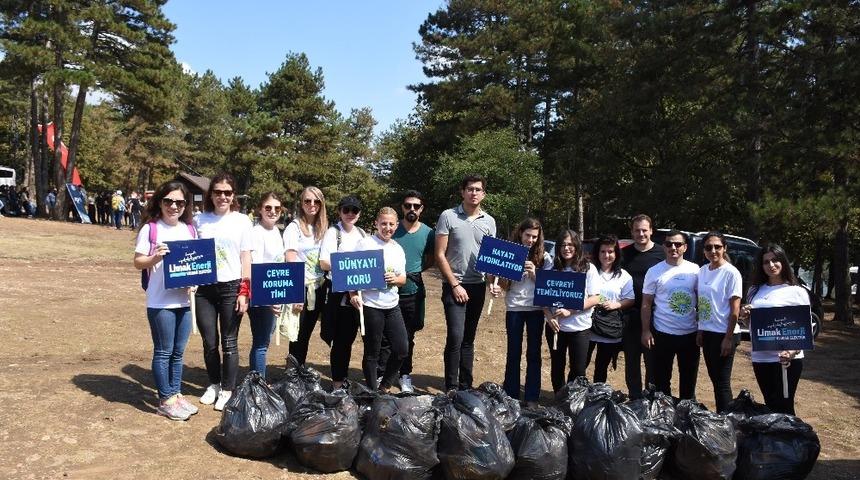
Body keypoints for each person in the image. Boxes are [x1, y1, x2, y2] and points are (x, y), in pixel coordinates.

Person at [132, 181, 198, 421]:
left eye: (179, 202)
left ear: (185, 205)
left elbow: (195, 264)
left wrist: (194, 281)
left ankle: (175, 394)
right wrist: (155, 257)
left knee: (178, 353)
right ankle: (165, 400)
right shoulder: (151, 229)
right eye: (169, 201)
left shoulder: (189, 230)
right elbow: (138, 261)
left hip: (184, 301)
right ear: (160, 202)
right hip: (160, 302)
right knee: (163, 351)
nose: (174, 206)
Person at [194, 173, 252, 411]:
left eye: (227, 192)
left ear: (233, 195)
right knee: (209, 342)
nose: (222, 197)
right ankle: (214, 384)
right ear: (211, 194)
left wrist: (244, 290)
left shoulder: (242, 221)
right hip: (204, 290)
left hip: (231, 287)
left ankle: (228, 389)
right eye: (218, 192)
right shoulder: (199, 220)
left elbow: (246, 256)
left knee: (229, 342)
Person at [435, 174, 497, 392]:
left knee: (468, 339)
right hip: (454, 286)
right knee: (456, 336)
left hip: (477, 286)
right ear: (462, 192)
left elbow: (491, 260)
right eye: (470, 189)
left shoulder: (489, 222)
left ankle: (466, 386)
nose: (474, 193)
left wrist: (492, 282)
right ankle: (451, 387)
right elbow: (439, 254)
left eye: (478, 189)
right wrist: (454, 285)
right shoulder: (448, 216)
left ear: (484, 194)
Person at [376, 190, 435, 393]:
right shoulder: (392, 228)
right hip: (387, 293)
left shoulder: (428, 233)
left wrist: (412, 273)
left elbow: (430, 259)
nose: (412, 209)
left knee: (408, 337)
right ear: (402, 207)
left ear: (421, 209)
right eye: (408, 205)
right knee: (385, 339)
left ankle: (404, 375)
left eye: (416, 206)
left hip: (412, 292)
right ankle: (382, 374)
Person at [740, 244, 809, 415]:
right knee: (770, 405)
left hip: (786, 360)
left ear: (783, 262)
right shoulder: (754, 290)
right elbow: (752, 327)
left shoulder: (797, 292)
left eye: (775, 260)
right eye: (766, 262)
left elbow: (803, 328)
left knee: (784, 407)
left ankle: (792, 433)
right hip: (761, 358)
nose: (771, 265)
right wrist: (745, 316)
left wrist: (791, 352)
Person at [489, 217, 551, 406]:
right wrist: (496, 287)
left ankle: (532, 396)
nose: (530, 240)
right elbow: (500, 282)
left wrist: (535, 274)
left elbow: (548, 287)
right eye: (527, 235)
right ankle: (511, 395)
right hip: (515, 308)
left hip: (535, 310)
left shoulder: (544, 257)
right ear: (520, 233)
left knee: (534, 354)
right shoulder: (509, 253)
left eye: (534, 237)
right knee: (513, 352)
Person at [348, 207, 408, 391]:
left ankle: (385, 387)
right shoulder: (364, 244)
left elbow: (403, 279)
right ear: (376, 224)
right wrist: (352, 294)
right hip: (370, 305)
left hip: (392, 305)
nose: (387, 228)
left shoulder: (398, 249)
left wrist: (395, 279)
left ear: (396, 226)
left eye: (391, 224)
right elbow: (350, 272)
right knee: (372, 352)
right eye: (383, 223)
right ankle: (373, 393)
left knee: (401, 349)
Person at [641, 230, 700, 400]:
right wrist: (646, 331)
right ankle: (665, 413)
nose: (673, 247)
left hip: (690, 334)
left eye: (678, 244)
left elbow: (702, 300)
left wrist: (702, 328)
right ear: (664, 247)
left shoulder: (695, 270)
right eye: (668, 244)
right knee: (661, 382)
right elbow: (646, 303)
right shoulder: (654, 271)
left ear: (685, 247)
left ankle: (687, 412)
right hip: (662, 334)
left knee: (688, 381)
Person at [543, 229, 601, 393]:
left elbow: (596, 298)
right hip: (555, 328)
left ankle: (573, 397)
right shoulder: (551, 268)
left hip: (579, 328)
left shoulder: (588, 269)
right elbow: (542, 297)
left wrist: (570, 310)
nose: (566, 248)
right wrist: (549, 317)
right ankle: (559, 396)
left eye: (570, 244)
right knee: (557, 365)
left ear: (576, 246)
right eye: (562, 245)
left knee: (578, 369)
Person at [319, 195, 366, 389]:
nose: (350, 214)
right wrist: (347, 270)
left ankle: (345, 378)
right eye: (346, 210)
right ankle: (337, 383)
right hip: (338, 292)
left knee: (349, 338)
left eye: (354, 210)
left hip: (359, 292)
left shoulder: (362, 234)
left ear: (359, 214)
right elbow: (324, 262)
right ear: (339, 211)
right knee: (339, 340)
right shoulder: (333, 233)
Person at [238, 192, 286, 381]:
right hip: (260, 296)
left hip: (272, 294)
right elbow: (254, 269)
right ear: (260, 209)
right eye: (268, 207)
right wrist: (267, 299)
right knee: (261, 344)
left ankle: (257, 381)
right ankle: (259, 385)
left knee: (263, 341)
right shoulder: (255, 233)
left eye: (277, 208)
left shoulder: (276, 231)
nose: (273, 211)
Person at [696, 231, 742, 412]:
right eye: (708, 247)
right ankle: (721, 417)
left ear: (725, 248)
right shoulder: (702, 271)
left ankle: (726, 419)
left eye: (717, 247)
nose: (713, 251)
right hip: (708, 333)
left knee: (722, 383)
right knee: (714, 379)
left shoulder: (731, 273)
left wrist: (728, 338)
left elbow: (735, 309)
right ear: (704, 250)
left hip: (725, 333)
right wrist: (701, 329)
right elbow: (703, 303)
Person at [282, 186, 328, 365]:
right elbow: (290, 260)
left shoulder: (323, 228)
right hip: (301, 286)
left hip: (319, 286)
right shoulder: (294, 228)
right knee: (297, 334)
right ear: (301, 203)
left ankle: (299, 369)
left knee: (307, 333)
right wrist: (296, 294)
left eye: (316, 201)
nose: (312, 204)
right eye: (307, 200)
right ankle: (293, 372)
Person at [621, 214, 665, 398]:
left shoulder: (662, 253)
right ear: (631, 232)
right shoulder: (624, 254)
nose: (641, 234)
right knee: (631, 361)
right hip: (629, 315)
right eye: (637, 230)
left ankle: (650, 399)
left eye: (644, 230)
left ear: (651, 231)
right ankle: (634, 398)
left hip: (655, 316)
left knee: (652, 362)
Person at [587, 235, 635, 384]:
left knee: (601, 367)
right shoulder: (589, 271)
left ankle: (597, 394)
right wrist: (598, 300)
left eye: (610, 251)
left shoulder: (624, 276)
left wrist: (617, 304)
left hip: (608, 328)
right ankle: (576, 392)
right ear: (597, 253)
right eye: (603, 251)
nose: (606, 255)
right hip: (587, 325)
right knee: (580, 364)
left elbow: (630, 299)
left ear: (616, 254)